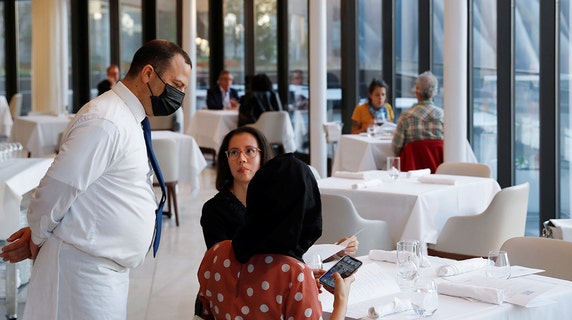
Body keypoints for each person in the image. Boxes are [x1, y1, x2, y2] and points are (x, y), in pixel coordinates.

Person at [0, 39, 192, 319]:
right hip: (81, 271)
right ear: (148, 74)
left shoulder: (127, 116)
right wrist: (37, 236)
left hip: (100, 268)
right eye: (177, 84)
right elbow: (59, 186)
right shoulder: (106, 119)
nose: (180, 95)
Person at [195, 127, 358, 317]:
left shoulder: (216, 254)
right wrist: (341, 299)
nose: (242, 159)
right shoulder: (295, 275)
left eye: (249, 151)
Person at [392, 71, 444, 155]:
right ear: (434, 93)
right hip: (438, 167)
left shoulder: (406, 117)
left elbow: (396, 148)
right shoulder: (443, 116)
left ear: (416, 91)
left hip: (412, 167)